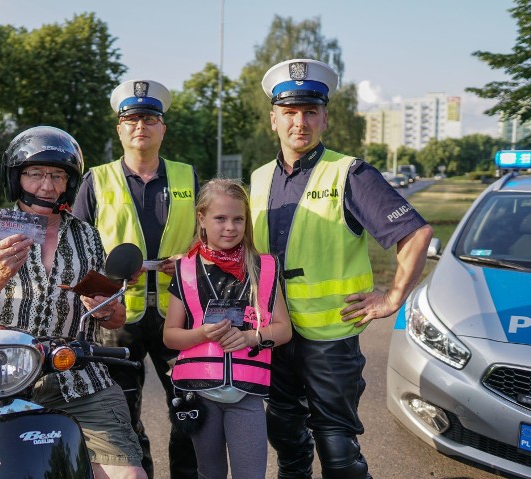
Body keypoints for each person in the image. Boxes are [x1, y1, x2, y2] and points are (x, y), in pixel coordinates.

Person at [250, 58, 434, 478]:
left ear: (324, 118)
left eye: (310, 112)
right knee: (286, 439)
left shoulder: (350, 173)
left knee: (338, 451)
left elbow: (416, 235)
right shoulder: (258, 178)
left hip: (330, 340)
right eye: (291, 113)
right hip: (273, 334)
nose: (301, 123)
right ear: (273, 119)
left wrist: (392, 297)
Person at [0, 125, 146, 479]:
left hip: (75, 376)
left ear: (69, 183)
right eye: (35, 174)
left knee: (129, 475)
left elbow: (115, 316)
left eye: (57, 175)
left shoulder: (87, 236)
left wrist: (108, 311)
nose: (46, 186)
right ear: (16, 179)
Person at [74, 79, 199, 478]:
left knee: (190, 411)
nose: (140, 126)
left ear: (163, 128)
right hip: (115, 316)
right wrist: (91, 296)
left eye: (149, 118)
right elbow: (72, 247)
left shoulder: (189, 178)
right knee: (121, 415)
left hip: (180, 314)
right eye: (131, 119)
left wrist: (192, 256)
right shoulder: (96, 179)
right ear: (120, 129)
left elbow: (217, 236)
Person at [163, 179, 292, 479]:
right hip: (201, 395)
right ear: (202, 219)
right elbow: (170, 335)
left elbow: (284, 329)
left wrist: (251, 337)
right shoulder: (185, 270)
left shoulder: (265, 268)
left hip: (246, 397)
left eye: (238, 219)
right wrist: (201, 334)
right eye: (220, 218)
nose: (230, 227)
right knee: (210, 474)